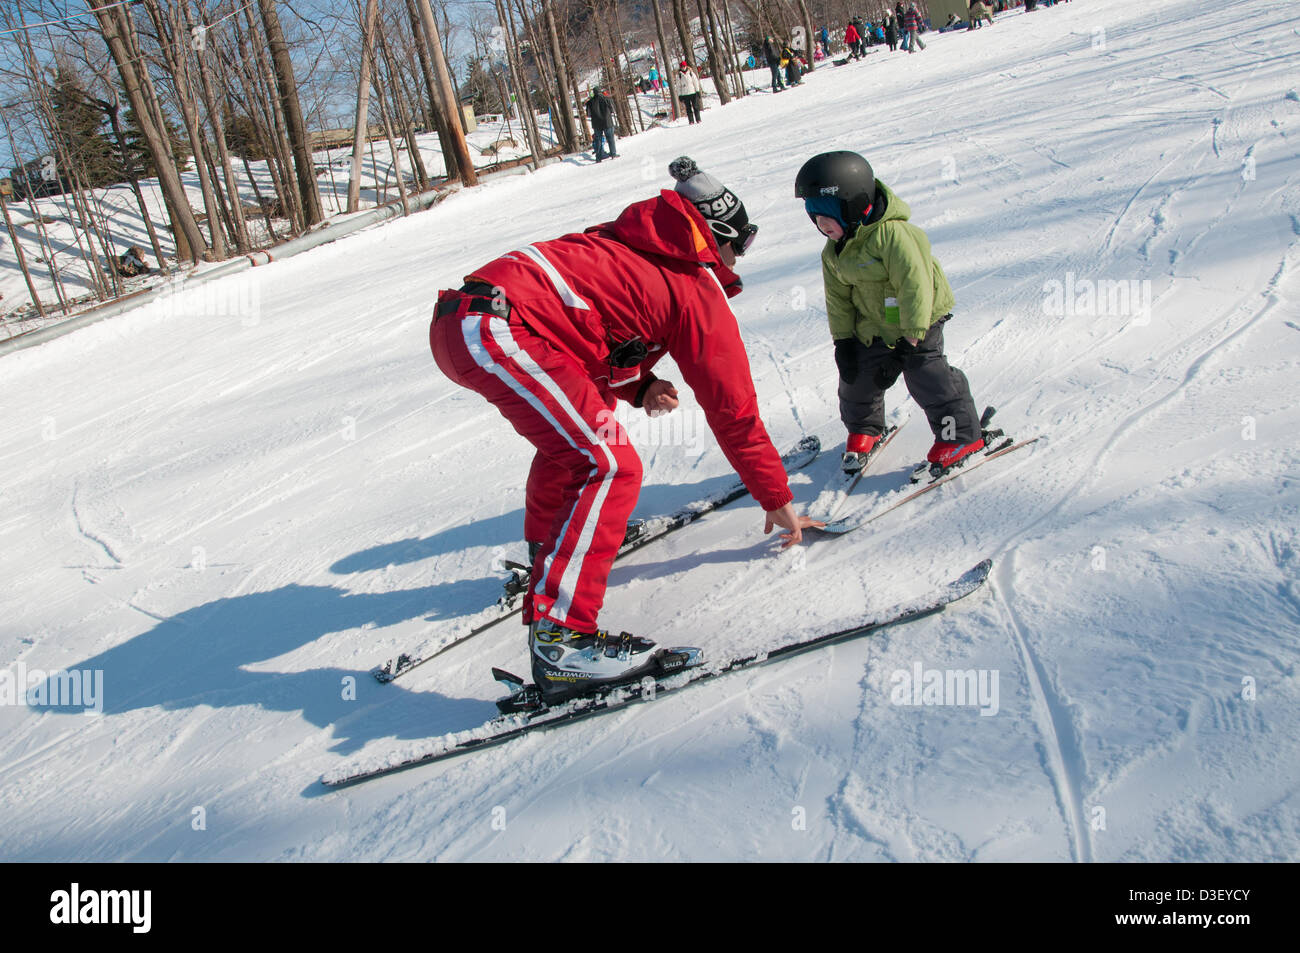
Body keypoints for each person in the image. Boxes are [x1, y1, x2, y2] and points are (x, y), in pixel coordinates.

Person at [430, 157, 820, 702]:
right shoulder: (692, 287)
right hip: (494, 328)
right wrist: (775, 497)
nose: (740, 258)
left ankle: (550, 554)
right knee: (609, 462)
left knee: (577, 448)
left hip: (469, 323)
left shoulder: (623, 244)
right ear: (716, 239)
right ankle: (564, 643)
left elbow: (583, 329)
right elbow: (733, 409)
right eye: (742, 242)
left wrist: (637, 387)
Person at [794, 151, 985, 476]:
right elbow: (837, 299)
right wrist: (844, 343)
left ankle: (960, 436)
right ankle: (865, 429)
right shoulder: (834, 250)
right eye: (814, 217)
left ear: (854, 205)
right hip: (874, 324)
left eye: (827, 214)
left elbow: (916, 290)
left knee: (926, 376)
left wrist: (909, 345)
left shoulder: (896, 236)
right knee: (856, 379)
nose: (821, 224)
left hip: (919, 322)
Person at [584, 86, 618, 161]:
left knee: (598, 140)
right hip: (607, 121)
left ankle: (599, 157)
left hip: (596, 123)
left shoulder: (590, 102)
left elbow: (588, 114)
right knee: (610, 138)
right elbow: (612, 110)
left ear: (594, 93)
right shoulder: (607, 99)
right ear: (600, 91)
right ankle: (613, 154)